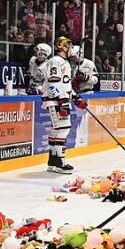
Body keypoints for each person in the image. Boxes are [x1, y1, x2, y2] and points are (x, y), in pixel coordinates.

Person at [43, 36, 83, 174]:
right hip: (56, 100)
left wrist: (75, 97)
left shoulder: (63, 62)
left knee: (57, 129)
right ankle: (60, 162)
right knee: (63, 129)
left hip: (61, 99)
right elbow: (53, 82)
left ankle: (53, 162)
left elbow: (64, 83)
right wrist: (61, 101)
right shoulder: (56, 61)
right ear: (63, 47)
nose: (71, 49)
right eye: (69, 46)